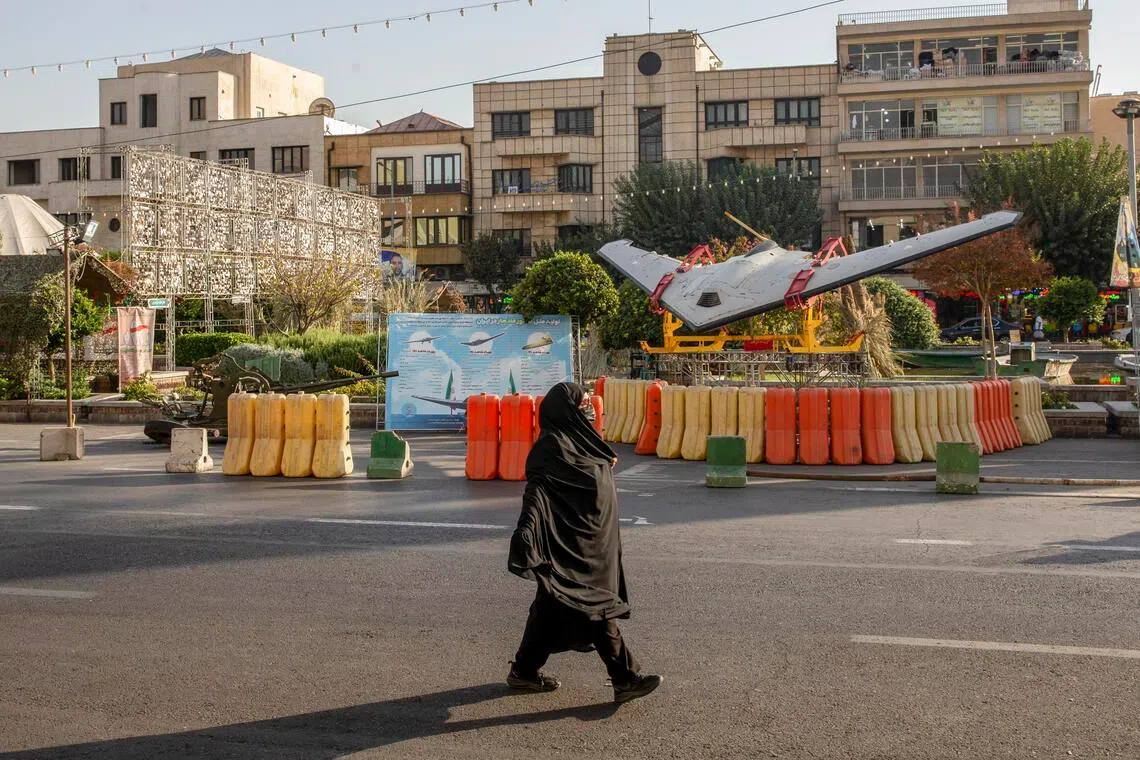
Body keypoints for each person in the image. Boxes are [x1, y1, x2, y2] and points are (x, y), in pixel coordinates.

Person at [507, 382, 662, 705]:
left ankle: (524, 670)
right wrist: (526, 530)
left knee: (549, 607)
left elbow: (595, 466)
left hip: (591, 544)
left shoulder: (581, 442)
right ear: (566, 411)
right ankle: (625, 678)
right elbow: (537, 492)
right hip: (571, 548)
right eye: (580, 406)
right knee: (594, 606)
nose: (586, 412)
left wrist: (604, 461)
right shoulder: (550, 446)